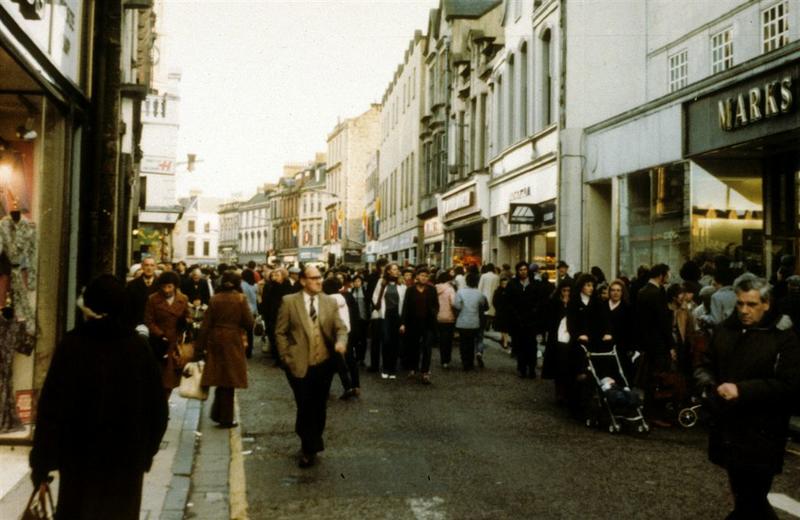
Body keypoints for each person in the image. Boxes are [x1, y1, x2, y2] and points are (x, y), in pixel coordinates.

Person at [30, 275, 168, 519]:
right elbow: (158, 409)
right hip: (125, 464)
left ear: (88, 307)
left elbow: (51, 410)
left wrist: (42, 464)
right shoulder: (138, 348)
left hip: (79, 462)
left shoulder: (72, 346)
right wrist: (145, 453)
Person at [695, 277, 800, 519]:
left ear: (766, 304)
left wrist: (742, 390)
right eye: (740, 303)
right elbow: (705, 365)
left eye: (751, 304)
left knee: (752, 498)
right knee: (745, 497)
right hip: (729, 426)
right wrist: (710, 385)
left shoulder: (783, 337)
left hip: (763, 429)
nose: (744, 310)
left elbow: (789, 384)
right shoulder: (725, 330)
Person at [275, 266, 348, 468]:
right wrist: (286, 357)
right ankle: (309, 446)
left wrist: (341, 342)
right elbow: (280, 332)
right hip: (298, 363)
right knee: (305, 405)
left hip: (324, 364)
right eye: (314, 278)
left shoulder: (329, 301)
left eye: (320, 277)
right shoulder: (289, 302)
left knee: (319, 406)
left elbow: (340, 328)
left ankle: (311, 441)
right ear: (303, 281)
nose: (319, 281)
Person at [198, 271, 254, 427]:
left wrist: (199, 348)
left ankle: (217, 413)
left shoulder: (215, 299)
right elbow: (249, 323)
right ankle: (226, 419)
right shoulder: (240, 299)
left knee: (220, 377)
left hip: (216, 339)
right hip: (233, 340)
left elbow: (206, 325)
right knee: (229, 380)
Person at [634, 263, 675, 427]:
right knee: (659, 378)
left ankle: (649, 411)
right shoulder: (657, 293)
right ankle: (655, 413)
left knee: (651, 378)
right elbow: (663, 322)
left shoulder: (642, 291)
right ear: (661, 275)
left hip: (647, 341)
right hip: (658, 343)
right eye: (668, 274)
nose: (669, 277)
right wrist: (671, 345)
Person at [144, 271, 191, 399]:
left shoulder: (183, 299)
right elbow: (149, 320)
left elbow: (188, 316)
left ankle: (164, 405)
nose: (166, 290)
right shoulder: (153, 299)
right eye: (164, 286)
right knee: (158, 379)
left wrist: (185, 322)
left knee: (170, 381)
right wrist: (160, 334)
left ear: (175, 286)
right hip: (159, 344)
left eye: (169, 286)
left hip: (176, 344)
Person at [400, 267, 439, 384]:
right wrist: (403, 323)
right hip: (413, 323)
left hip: (428, 323)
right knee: (413, 346)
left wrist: (433, 313)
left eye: (426, 276)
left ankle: (425, 372)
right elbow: (405, 307)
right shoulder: (410, 290)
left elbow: (436, 305)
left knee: (427, 348)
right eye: (422, 275)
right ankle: (413, 369)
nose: (424, 278)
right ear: (417, 277)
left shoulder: (432, 290)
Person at [323, 277, 359, 400]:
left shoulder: (329, 300)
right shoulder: (342, 298)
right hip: (344, 333)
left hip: (333, 335)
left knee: (332, 363)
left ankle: (347, 387)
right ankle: (350, 386)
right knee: (336, 362)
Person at [372, 263, 406, 379]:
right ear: (388, 271)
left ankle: (392, 369)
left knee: (395, 342)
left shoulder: (402, 284)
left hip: (397, 315)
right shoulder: (381, 282)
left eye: (397, 269)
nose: (396, 271)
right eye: (394, 269)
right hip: (385, 315)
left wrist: (403, 321)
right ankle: (385, 368)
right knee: (386, 341)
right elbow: (375, 297)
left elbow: (404, 302)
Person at [506, 261, 539, 378]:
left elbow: (539, 301)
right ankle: (522, 368)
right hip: (517, 321)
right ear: (517, 271)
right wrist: (514, 316)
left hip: (531, 321)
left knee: (531, 345)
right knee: (520, 346)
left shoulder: (535, 284)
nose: (523, 272)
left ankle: (532, 368)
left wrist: (535, 313)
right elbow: (508, 302)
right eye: (521, 270)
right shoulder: (512, 284)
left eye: (525, 269)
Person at [542, 280, 572, 405]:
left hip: (569, 339)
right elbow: (550, 319)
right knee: (558, 366)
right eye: (564, 290)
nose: (566, 293)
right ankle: (559, 393)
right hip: (557, 339)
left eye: (569, 291)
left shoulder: (574, 303)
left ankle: (567, 393)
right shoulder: (554, 302)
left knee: (568, 366)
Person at [453, 271, 488, 370]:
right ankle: (470, 362)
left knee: (463, 342)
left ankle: (465, 361)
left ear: (466, 281)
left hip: (462, 322)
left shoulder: (460, 292)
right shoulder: (479, 294)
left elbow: (457, 306)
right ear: (477, 282)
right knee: (472, 342)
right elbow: (483, 305)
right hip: (474, 322)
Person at [366, 258, 388, 373]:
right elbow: (369, 294)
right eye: (383, 265)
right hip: (375, 310)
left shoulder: (390, 278)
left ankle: (386, 364)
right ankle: (374, 364)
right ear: (379, 266)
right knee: (375, 340)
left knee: (386, 339)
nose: (384, 267)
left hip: (386, 312)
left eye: (386, 265)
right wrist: (372, 307)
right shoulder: (373, 277)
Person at [126, 256, 158, 326]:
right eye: (146, 265)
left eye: (152, 265)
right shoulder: (132, 285)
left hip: (156, 325)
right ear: (142, 267)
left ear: (155, 267)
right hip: (137, 324)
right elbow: (128, 308)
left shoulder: (161, 285)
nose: (149, 268)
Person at [435, 271, 457, 368]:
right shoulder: (450, 289)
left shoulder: (435, 288)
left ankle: (443, 358)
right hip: (449, 317)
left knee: (441, 338)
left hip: (438, 317)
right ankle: (446, 359)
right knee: (448, 339)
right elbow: (453, 303)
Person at [349, 274, 370, 366]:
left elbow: (369, 304)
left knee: (363, 339)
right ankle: (357, 357)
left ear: (361, 283)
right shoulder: (351, 292)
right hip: (354, 320)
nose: (357, 283)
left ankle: (362, 358)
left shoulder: (365, 292)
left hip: (363, 319)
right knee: (355, 339)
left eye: (359, 281)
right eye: (355, 281)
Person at [241, 268, 259, 359]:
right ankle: (250, 351)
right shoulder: (255, 286)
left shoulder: (242, 285)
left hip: (244, 311)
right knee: (250, 332)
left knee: (242, 331)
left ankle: (244, 349)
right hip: (253, 310)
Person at [478, 263, 500, 331]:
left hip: (484, 295)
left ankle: (484, 325)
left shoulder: (483, 276)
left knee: (484, 311)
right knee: (491, 311)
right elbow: (498, 287)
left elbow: (480, 287)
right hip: (493, 295)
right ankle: (489, 323)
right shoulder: (496, 277)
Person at [492, 276, 511, 350]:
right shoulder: (498, 291)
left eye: (506, 283)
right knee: (502, 328)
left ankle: (505, 342)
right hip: (500, 311)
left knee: (504, 328)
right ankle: (504, 340)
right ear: (500, 284)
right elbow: (494, 301)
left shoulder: (508, 291)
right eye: (503, 283)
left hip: (506, 312)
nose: (504, 285)